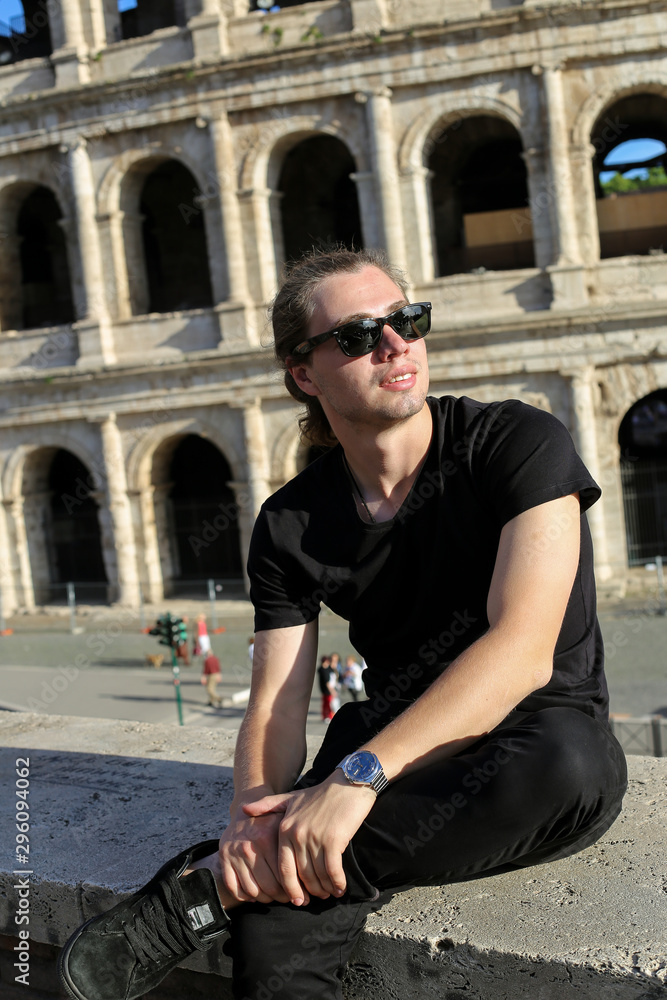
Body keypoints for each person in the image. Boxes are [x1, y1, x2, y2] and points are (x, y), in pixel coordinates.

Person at [58, 247, 628, 1000]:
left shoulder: (516, 442)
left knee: (569, 765)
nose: (395, 346)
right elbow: (276, 702)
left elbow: (521, 652)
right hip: (394, 743)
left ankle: (217, 893)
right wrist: (247, 825)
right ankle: (250, 875)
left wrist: (354, 782)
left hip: (535, 737)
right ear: (303, 373)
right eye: (359, 336)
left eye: (407, 320)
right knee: (278, 939)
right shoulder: (290, 521)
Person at [317, 654, 336, 722]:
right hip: (327, 690)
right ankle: (328, 716)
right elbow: (327, 682)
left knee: (326, 703)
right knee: (328, 703)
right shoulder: (323, 670)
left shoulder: (326, 669)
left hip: (326, 689)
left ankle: (327, 716)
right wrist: (332, 691)